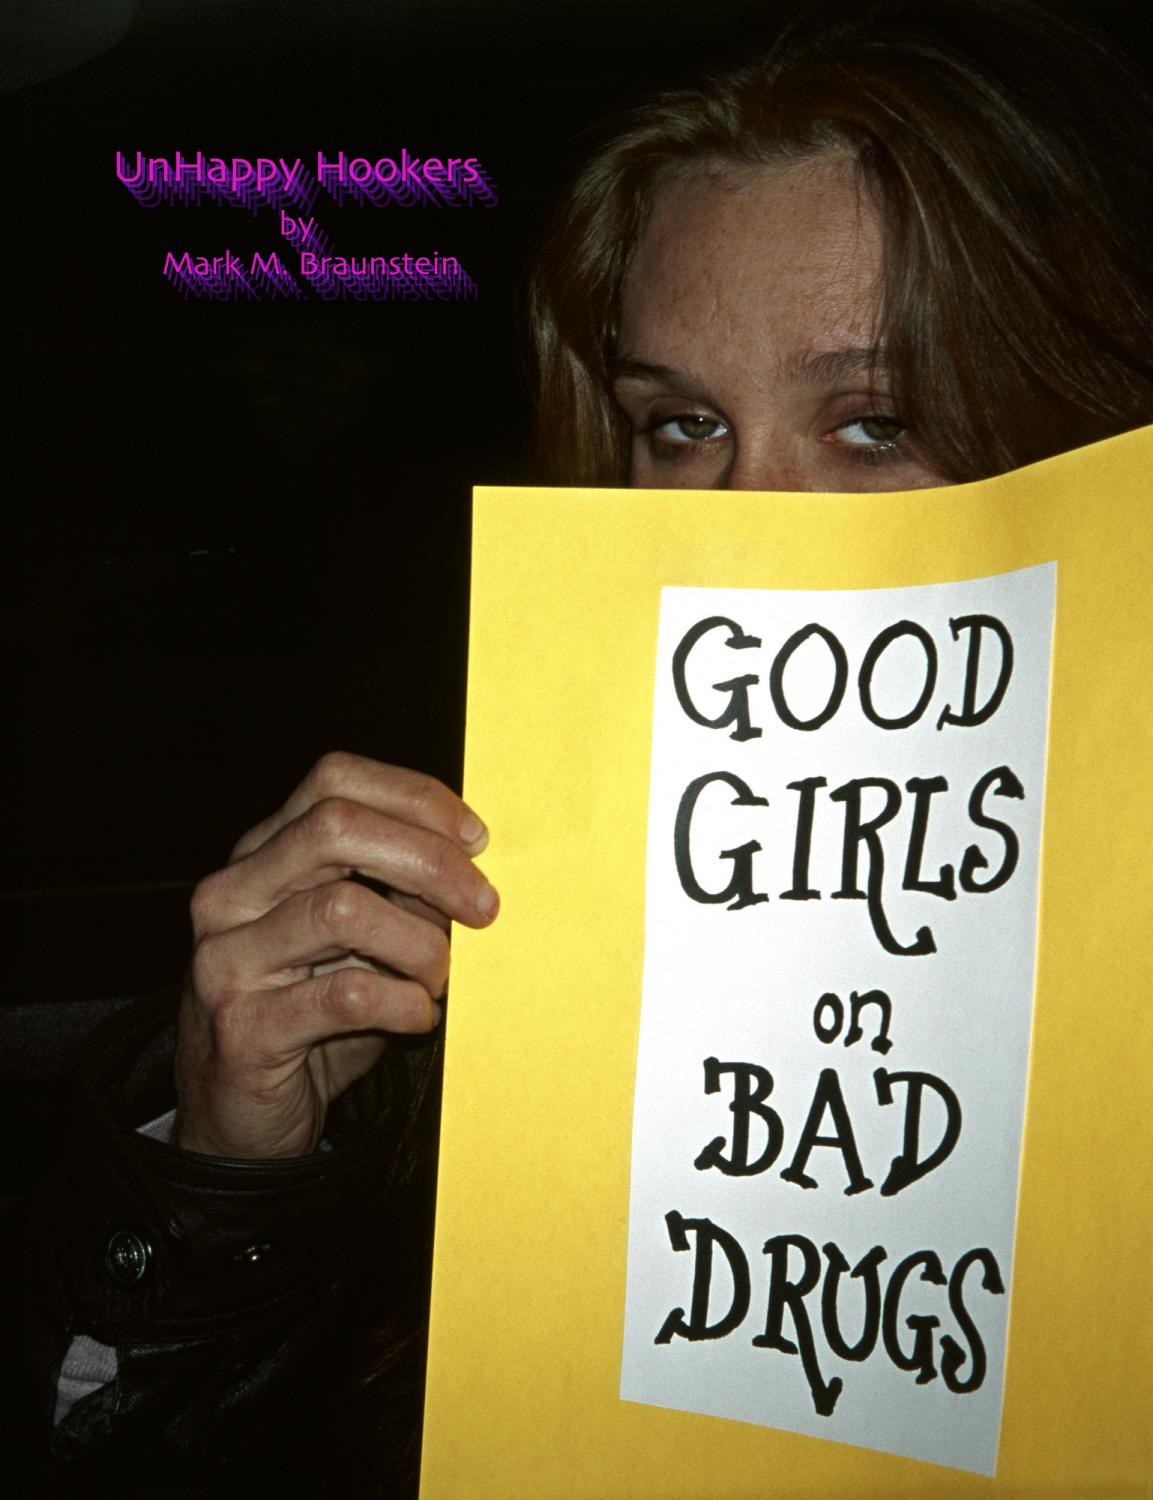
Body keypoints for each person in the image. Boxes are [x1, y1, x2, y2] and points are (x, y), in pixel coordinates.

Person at [9, 1, 1152, 1495]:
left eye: (878, 422)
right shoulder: (510, 935)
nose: (738, 531)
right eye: (681, 425)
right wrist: (235, 1171)